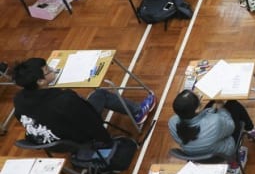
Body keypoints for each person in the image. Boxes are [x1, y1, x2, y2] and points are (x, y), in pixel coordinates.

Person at [12, 57, 155, 148]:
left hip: (50, 143)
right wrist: (106, 140)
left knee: (84, 101)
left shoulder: (18, 99)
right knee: (100, 94)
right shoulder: (65, 100)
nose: (53, 70)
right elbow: (92, 122)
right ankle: (138, 112)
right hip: (77, 138)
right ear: (40, 81)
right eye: (48, 70)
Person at [168, 89, 255, 160]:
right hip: (223, 154)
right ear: (196, 109)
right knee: (233, 104)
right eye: (198, 97)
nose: (199, 96)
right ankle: (250, 129)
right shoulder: (215, 121)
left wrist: (212, 110)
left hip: (195, 156)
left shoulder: (172, 122)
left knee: (213, 103)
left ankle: (250, 128)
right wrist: (221, 110)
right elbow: (231, 127)